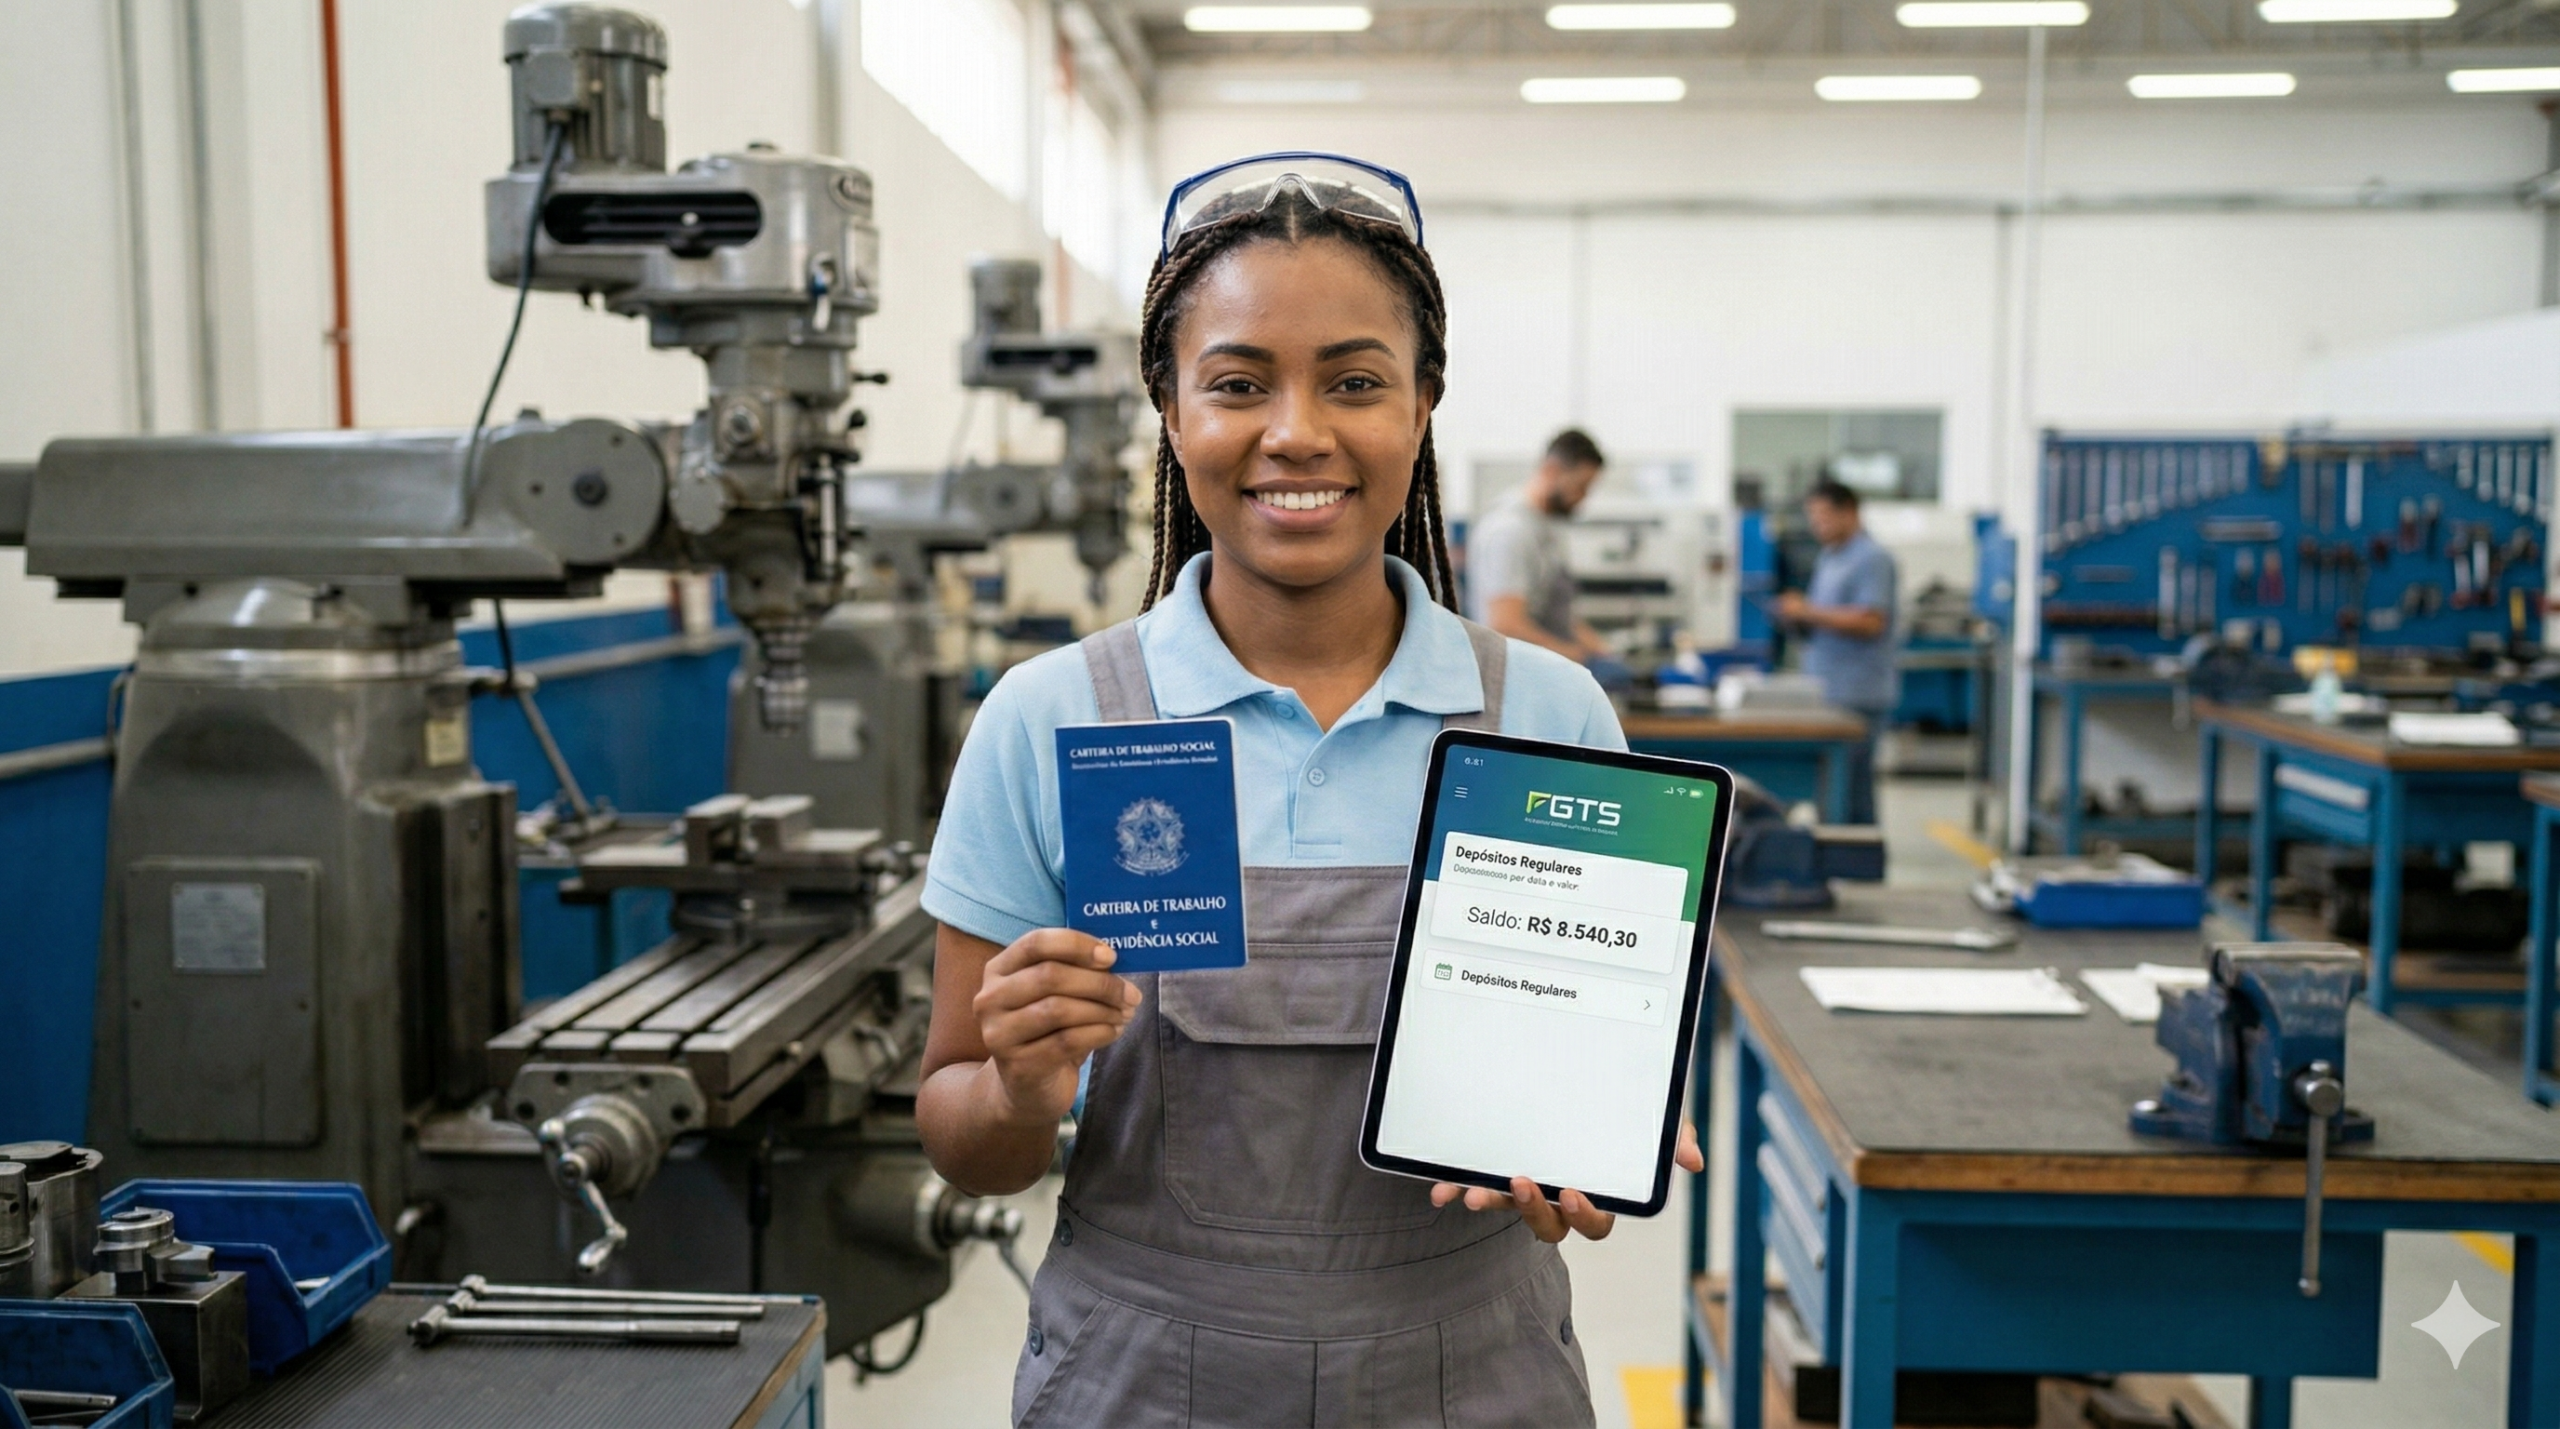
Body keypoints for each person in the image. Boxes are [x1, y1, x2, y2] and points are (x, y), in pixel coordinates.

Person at [913, 154, 1700, 1427]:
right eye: (1236, 383)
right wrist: (1014, 1089)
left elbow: (1594, 1098)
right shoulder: (1051, 719)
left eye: (1354, 381)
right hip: (1141, 1381)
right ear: (1169, 409)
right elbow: (958, 1129)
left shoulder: (1547, 719)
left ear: (1423, 404)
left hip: (1473, 1375)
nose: (1297, 432)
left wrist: (1588, 1153)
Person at [1774, 478, 1899, 825]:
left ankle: (1858, 863)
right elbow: (1826, 616)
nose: (1817, 526)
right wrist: (1797, 616)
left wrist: (1807, 611)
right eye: (1813, 517)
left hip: (1858, 694)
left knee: (1853, 792)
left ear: (1850, 512)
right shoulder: (1831, 557)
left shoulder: (1872, 558)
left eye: (1825, 517)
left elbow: (1872, 621)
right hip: (1828, 690)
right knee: (1831, 791)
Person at [1466, 429, 1631, 690]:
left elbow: (1559, 617)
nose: (1583, 499)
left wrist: (1602, 651)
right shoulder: (1509, 530)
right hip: (1511, 687)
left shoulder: (1546, 529)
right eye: (1580, 487)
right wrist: (1578, 659)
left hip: (1539, 678)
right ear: (1553, 471)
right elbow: (1506, 626)